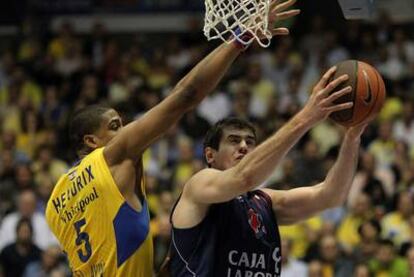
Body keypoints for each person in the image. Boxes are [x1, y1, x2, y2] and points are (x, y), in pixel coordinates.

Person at [45, 0, 301, 275]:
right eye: (115, 126)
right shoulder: (112, 155)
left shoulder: (54, 205)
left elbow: (103, 251)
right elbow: (185, 95)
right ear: (91, 141)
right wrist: (241, 38)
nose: (126, 131)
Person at [169, 66, 371, 276]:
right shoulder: (199, 185)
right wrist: (306, 117)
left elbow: (332, 196)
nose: (244, 146)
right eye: (234, 140)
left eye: (250, 141)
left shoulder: (264, 202)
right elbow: (244, 178)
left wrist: (352, 139)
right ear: (210, 155)